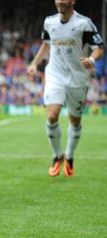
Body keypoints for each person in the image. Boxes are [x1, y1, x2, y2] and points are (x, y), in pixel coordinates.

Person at [28, 0, 103, 177]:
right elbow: (46, 44)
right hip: (55, 75)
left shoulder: (84, 23)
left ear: (72, 1)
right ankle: (57, 156)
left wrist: (91, 60)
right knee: (52, 115)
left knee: (74, 120)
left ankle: (69, 156)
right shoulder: (49, 22)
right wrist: (34, 63)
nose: (60, 2)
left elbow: (98, 48)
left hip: (77, 78)